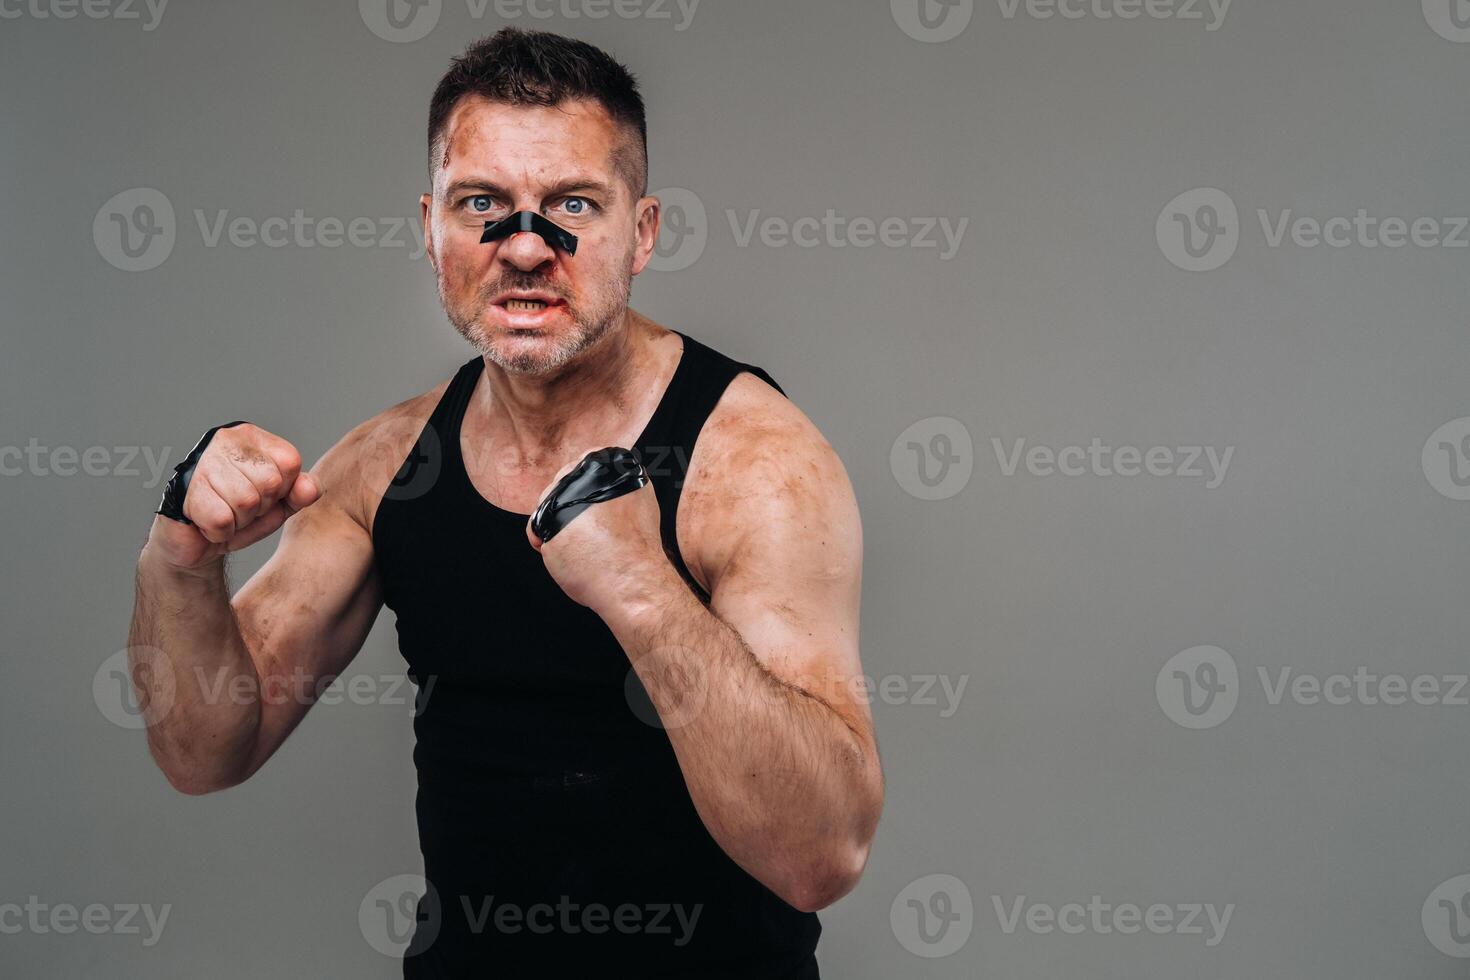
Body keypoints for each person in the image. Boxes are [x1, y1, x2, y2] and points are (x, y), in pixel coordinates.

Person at [127, 28, 883, 977]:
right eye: (482, 203)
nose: (525, 247)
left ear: (641, 233)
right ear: (430, 226)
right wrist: (181, 559)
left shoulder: (759, 463)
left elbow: (822, 855)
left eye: (573, 204)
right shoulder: (386, 465)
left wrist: (643, 593)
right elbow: (204, 751)